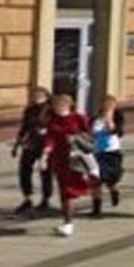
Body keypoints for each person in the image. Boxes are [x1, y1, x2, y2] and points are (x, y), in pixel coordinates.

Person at [40, 92, 96, 238]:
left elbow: (88, 136)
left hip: (76, 158)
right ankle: (67, 222)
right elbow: (50, 139)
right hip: (60, 160)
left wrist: (76, 140)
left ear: (68, 105)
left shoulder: (78, 117)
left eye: (60, 104)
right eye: (55, 105)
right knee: (65, 191)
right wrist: (44, 156)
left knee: (69, 190)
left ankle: (68, 222)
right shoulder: (53, 120)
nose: (57, 107)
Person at [11, 86, 53, 215]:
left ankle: (46, 199)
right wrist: (16, 144)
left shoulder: (50, 110)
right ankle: (27, 198)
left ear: (46, 96)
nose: (36, 97)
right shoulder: (30, 110)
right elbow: (24, 127)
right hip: (31, 143)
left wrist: (47, 130)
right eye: (35, 95)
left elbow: (55, 126)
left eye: (39, 95)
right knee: (24, 170)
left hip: (45, 144)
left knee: (45, 172)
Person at [90, 94, 126, 214]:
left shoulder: (118, 118)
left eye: (110, 105)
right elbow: (90, 133)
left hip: (112, 153)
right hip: (97, 152)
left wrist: (109, 120)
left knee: (110, 180)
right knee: (96, 180)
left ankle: (114, 192)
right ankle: (96, 208)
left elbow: (118, 132)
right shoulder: (95, 119)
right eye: (105, 104)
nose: (107, 107)